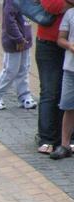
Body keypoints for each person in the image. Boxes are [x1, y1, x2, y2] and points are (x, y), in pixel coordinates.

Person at [0, 0, 37, 111]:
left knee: (24, 68)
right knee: (10, 70)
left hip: (25, 39)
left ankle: (24, 95)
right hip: (15, 41)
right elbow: (9, 20)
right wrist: (18, 38)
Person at [36, 0, 69, 155]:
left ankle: (66, 139)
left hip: (70, 44)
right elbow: (53, 6)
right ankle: (47, 138)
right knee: (50, 91)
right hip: (49, 43)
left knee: (69, 92)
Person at [52, 6, 74, 159]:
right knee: (67, 106)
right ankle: (65, 145)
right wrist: (69, 45)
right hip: (70, 68)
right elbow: (60, 39)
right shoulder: (70, 14)